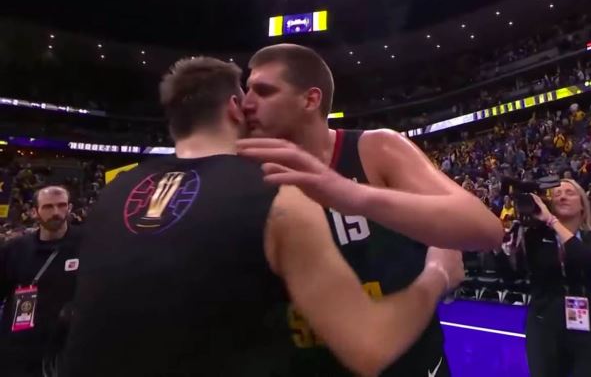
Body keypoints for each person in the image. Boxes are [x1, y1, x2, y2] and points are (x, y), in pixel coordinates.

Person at [60, 57, 465, 377]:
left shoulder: (110, 197)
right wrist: (437, 275)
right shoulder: (275, 192)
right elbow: (370, 348)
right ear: (235, 108)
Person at [238, 43, 503, 376]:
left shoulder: (375, 149)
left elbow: (486, 229)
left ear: (310, 99)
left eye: (264, 91)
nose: (246, 103)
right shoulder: (243, 178)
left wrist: (351, 194)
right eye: (247, 90)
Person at [0, 186, 82, 377]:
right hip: (21, 348)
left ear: (70, 208)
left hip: (68, 347)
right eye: (48, 207)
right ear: (34, 211)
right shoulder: (15, 249)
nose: (56, 212)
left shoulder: (87, 244)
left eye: (62, 205)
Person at [523, 180, 591, 377]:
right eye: (557, 194)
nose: (562, 197)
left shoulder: (589, 238)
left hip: (587, 324)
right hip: (545, 323)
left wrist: (553, 222)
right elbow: (517, 269)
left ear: (582, 204)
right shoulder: (536, 237)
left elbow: (585, 260)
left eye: (569, 193)